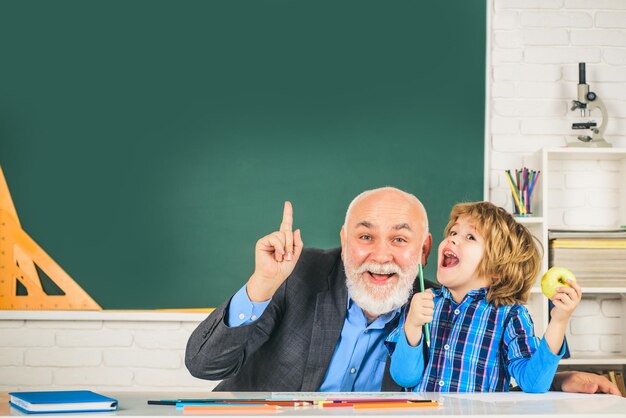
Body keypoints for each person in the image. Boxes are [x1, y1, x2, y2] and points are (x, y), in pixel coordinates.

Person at [185, 187, 620, 394]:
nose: (381, 255)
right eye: (364, 236)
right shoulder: (298, 273)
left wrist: (558, 379)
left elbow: (476, 370)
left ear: (423, 250)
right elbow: (203, 365)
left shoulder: (429, 306)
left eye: (399, 239)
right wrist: (262, 282)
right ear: (343, 238)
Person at [388, 201, 580, 392]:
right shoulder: (421, 305)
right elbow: (404, 378)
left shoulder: (510, 315)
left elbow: (533, 383)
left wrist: (559, 321)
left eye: (470, 237)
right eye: (453, 233)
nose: (452, 240)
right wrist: (412, 326)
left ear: (497, 269)